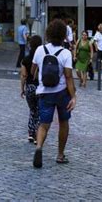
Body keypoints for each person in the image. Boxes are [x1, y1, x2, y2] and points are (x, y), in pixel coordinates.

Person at [31, 19, 76, 168]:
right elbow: (68, 76)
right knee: (63, 122)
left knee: (44, 124)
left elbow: (33, 70)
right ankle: (60, 154)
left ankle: (39, 148)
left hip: (45, 92)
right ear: (64, 35)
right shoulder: (66, 53)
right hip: (62, 92)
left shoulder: (39, 50)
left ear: (48, 33)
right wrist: (73, 96)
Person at [21, 34, 42, 143]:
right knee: (39, 111)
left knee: (32, 110)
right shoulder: (41, 58)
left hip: (29, 87)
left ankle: (31, 132)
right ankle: (37, 134)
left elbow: (23, 75)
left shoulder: (26, 59)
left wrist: (22, 89)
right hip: (39, 87)